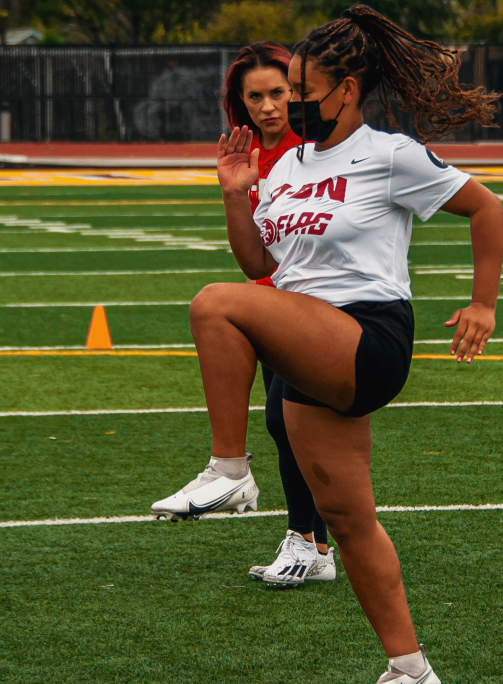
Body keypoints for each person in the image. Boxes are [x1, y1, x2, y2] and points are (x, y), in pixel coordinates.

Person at [192, 6, 503, 684]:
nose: (292, 104)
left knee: (213, 304)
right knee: (349, 518)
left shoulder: (389, 153)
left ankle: (231, 472)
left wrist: (482, 304)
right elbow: (256, 264)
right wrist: (237, 195)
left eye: (303, 90)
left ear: (347, 90)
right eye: (284, 91)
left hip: (368, 337)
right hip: (313, 345)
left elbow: (486, 208)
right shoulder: (287, 166)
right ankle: (410, 667)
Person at [149, 40, 338, 589]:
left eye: (278, 92)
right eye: (253, 96)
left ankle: (308, 539)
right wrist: (234, 195)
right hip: (269, 298)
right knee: (286, 426)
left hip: (314, 302)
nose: (268, 106)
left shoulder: (317, 149)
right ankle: (307, 541)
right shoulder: (247, 151)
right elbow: (252, 250)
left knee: (291, 422)